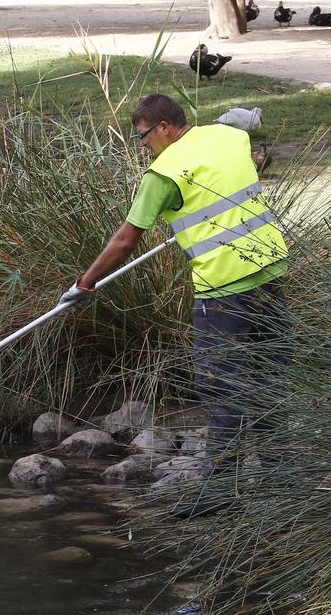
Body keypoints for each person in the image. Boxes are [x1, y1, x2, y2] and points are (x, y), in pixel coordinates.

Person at [60, 93, 291, 460]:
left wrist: (84, 284)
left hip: (224, 288)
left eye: (143, 135)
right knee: (268, 372)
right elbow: (241, 129)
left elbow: (123, 241)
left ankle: (219, 488)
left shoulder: (164, 173)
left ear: (164, 127)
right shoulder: (227, 136)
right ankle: (280, 470)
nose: (142, 145)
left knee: (219, 384)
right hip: (270, 271)